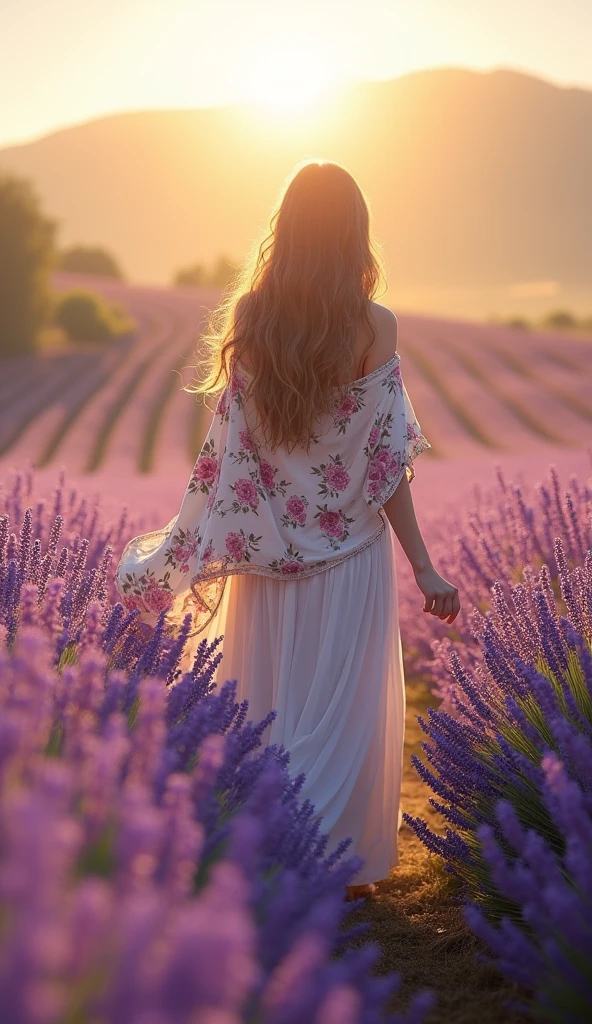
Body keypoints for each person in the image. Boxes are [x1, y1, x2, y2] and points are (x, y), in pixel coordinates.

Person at [114, 159, 460, 903]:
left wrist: (197, 540)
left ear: (287, 229)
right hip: (351, 557)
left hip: (266, 559)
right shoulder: (375, 326)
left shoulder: (251, 317)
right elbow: (384, 463)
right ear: (356, 234)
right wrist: (425, 567)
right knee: (341, 716)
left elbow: (226, 455)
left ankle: (270, 854)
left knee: (266, 711)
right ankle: (333, 867)